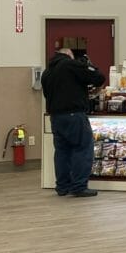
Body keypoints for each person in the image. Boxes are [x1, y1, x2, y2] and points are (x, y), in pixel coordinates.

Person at [41, 48, 106, 197]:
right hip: (74, 115)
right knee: (82, 148)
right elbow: (99, 77)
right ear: (69, 55)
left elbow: (47, 94)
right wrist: (88, 66)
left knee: (62, 152)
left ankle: (62, 187)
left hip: (55, 117)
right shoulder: (70, 65)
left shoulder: (47, 72)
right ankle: (79, 187)